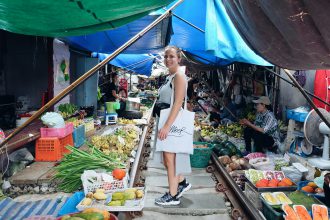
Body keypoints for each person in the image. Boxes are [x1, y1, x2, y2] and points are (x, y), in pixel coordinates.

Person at [154, 46, 192, 206]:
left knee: (170, 160)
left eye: (171, 56)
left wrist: (167, 126)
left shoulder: (179, 77)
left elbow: (177, 103)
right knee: (166, 159)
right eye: (166, 56)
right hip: (165, 120)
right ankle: (181, 182)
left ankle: (173, 195)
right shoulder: (170, 76)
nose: (168, 59)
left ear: (179, 59)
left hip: (171, 123)